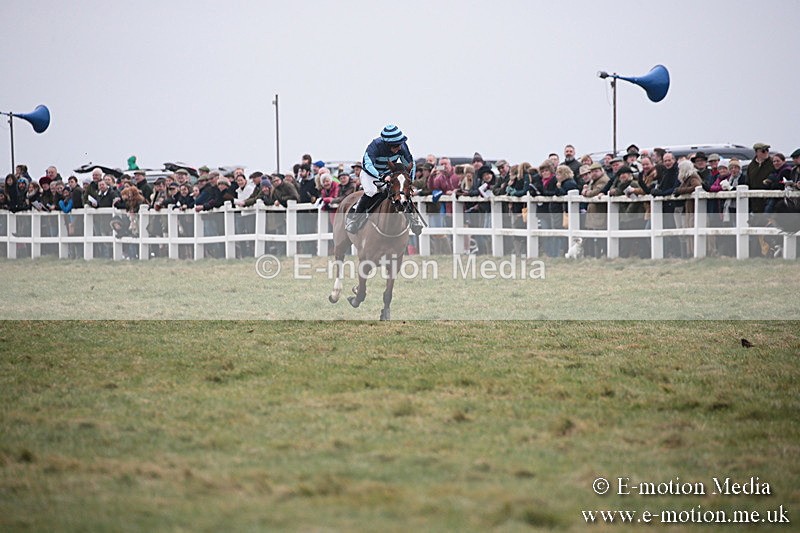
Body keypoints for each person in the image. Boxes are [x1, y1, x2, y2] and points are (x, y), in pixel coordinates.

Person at [346, 124, 422, 235]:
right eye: (396, 146)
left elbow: (411, 164)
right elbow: (367, 165)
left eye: (400, 144)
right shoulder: (375, 146)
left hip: (388, 173)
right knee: (371, 191)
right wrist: (381, 176)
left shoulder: (402, 146)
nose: (399, 148)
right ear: (387, 144)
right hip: (370, 173)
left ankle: (413, 220)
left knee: (400, 192)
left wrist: (410, 181)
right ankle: (355, 219)